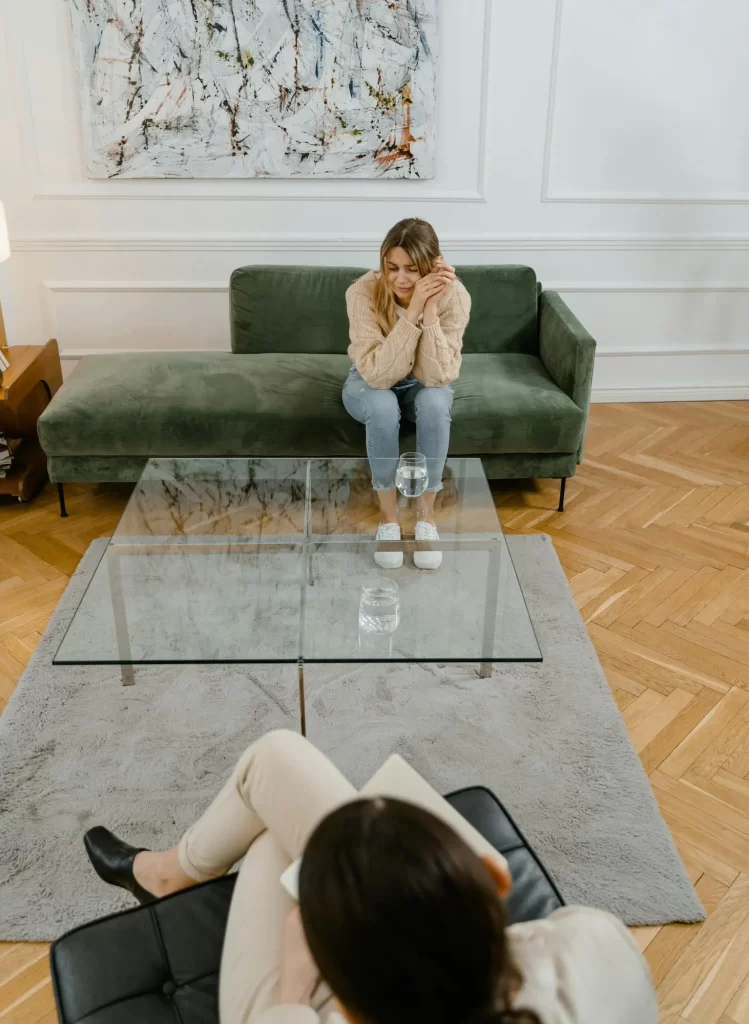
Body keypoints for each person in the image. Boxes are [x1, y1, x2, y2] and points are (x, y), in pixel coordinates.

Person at [84, 730, 658, 1024]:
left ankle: (164, 876)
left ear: (348, 1012)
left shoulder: (598, 939)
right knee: (276, 757)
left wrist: (293, 989)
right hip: (436, 971)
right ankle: (170, 872)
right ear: (493, 875)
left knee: (270, 841)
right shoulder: (601, 947)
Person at [343, 218, 471, 570]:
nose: (400, 279)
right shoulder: (361, 292)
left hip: (421, 382)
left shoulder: (455, 295)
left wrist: (429, 308)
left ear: (432, 266)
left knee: (434, 402)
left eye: (412, 270)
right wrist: (411, 309)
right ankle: (388, 520)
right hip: (369, 380)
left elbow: (437, 376)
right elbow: (379, 376)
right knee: (383, 407)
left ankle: (425, 517)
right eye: (392, 268)